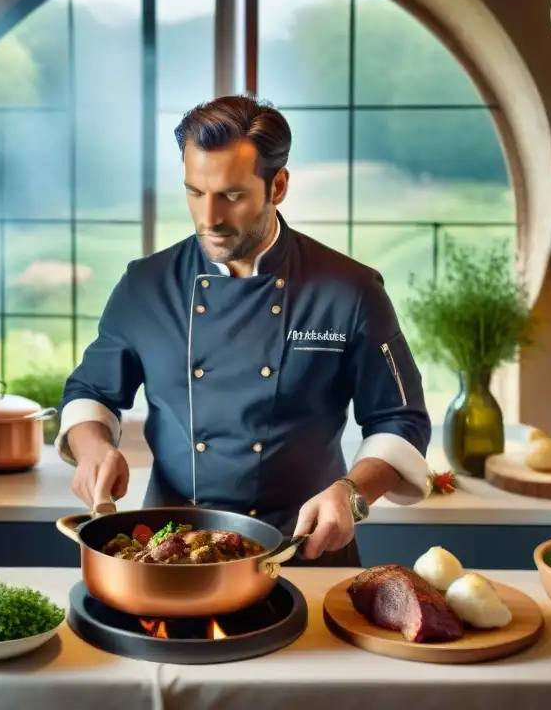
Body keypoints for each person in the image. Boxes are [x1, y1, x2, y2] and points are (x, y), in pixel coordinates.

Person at [55, 95, 432, 566]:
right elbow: (91, 390)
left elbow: (401, 419)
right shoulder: (145, 286)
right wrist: (93, 450)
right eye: (195, 192)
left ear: (278, 186)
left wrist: (351, 493)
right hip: (165, 558)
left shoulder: (350, 290)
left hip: (302, 551)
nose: (208, 218)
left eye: (231, 196)